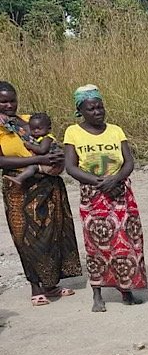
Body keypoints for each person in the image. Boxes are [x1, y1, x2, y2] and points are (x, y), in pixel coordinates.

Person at [63, 85, 147, 312]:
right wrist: (97, 181)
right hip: (93, 196)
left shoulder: (116, 131)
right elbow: (70, 166)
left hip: (120, 193)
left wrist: (116, 179)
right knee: (96, 244)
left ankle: (126, 290)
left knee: (125, 242)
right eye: (91, 108)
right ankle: (97, 294)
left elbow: (128, 161)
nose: (98, 112)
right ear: (80, 110)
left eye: (100, 107)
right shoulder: (73, 132)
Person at [0, 81, 82, 306]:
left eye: (12, 100)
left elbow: (49, 141)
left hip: (49, 184)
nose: (9, 105)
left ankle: (51, 284)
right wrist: (38, 160)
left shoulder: (28, 120)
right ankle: (36, 286)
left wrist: (57, 160)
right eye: (3, 101)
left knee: (53, 233)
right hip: (19, 187)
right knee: (25, 237)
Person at [4, 113, 58, 186]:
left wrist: (30, 146)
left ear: (49, 129)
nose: (36, 131)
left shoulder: (47, 138)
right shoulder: (39, 138)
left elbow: (42, 150)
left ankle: (19, 179)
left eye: (39, 128)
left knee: (33, 167)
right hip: (49, 164)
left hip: (52, 165)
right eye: (33, 129)